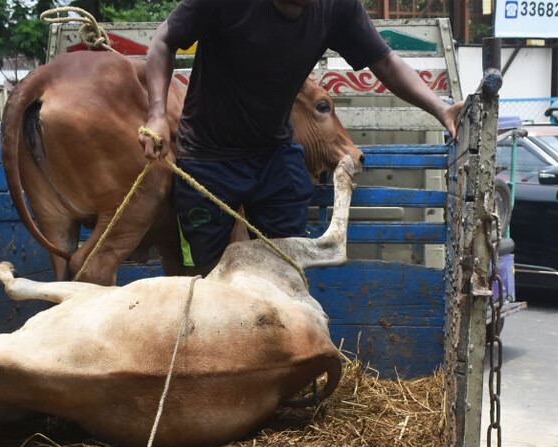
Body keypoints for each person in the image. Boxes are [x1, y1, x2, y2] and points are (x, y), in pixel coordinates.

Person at [139, 0, 464, 275]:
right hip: (207, 156)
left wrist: (440, 109)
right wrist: (157, 114)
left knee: (286, 270)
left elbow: (385, 61)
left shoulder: (336, 7)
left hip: (274, 154)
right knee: (204, 277)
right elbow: (164, 40)